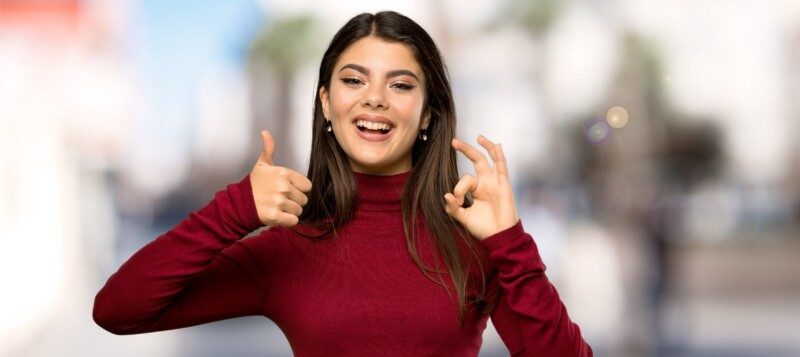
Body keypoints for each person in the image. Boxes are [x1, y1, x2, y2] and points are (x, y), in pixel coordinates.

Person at [93, 11, 592, 356]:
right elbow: (117, 309)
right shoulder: (291, 245)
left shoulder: (471, 240)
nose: (374, 98)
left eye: (400, 85)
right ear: (327, 103)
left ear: (426, 115)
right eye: (354, 80)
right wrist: (234, 208)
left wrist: (511, 244)